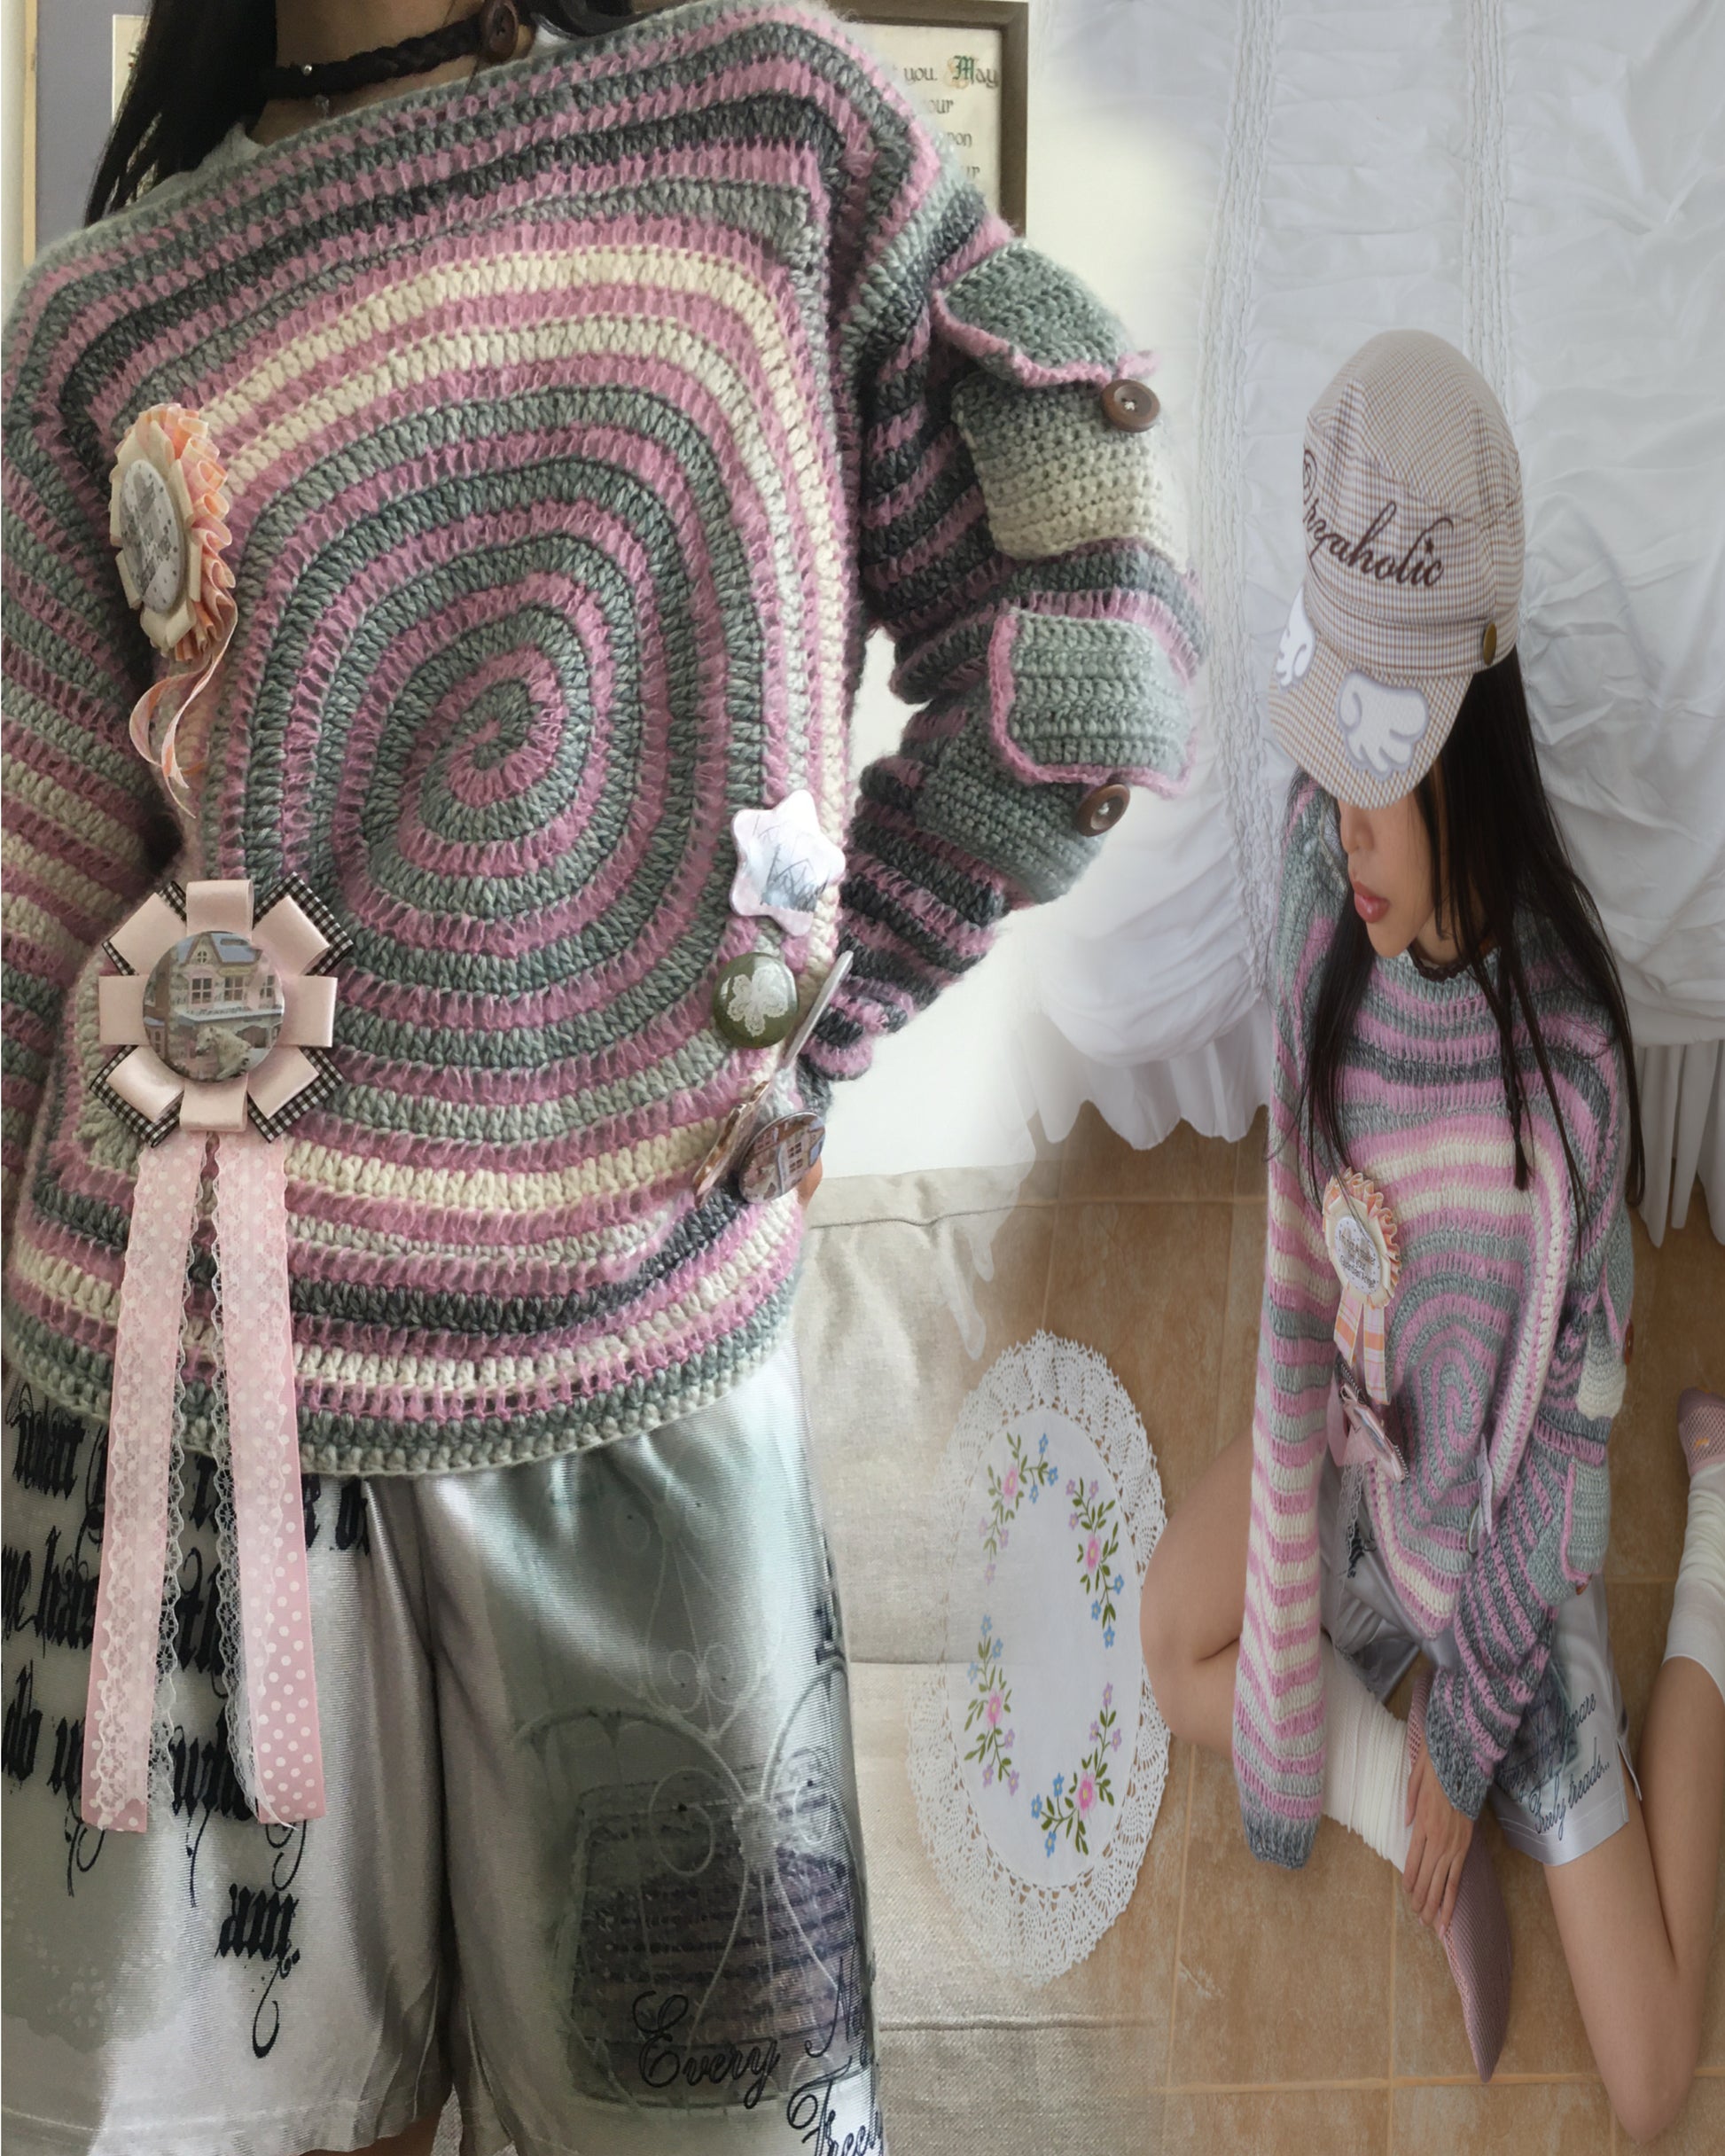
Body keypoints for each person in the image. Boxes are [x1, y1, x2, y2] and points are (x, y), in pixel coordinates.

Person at [0, 3, 1204, 2152]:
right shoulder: (101, 313)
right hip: (176, 1394)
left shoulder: (778, 131)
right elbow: (27, 913)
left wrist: (825, 1008)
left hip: (641, 1379)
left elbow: (1086, 620)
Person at [1138, 330, 1725, 2142]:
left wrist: (1465, 1739)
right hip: (1362, 1461)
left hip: (1505, 1564)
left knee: (1650, 2082)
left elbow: (1557, 1453)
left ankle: (1721, 1544)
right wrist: (1387, 1742)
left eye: (1371, 773)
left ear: (1464, 744)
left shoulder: (1566, 1083)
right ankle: (1399, 1809)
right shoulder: (1322, 887)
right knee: (1171, 1643)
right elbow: (1301, 1268)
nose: (1340, 827)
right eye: (1329, 766)